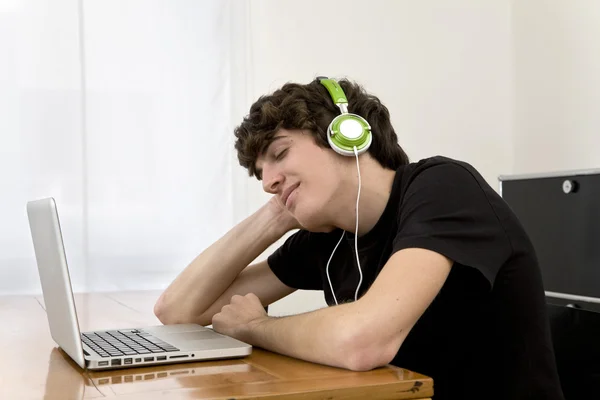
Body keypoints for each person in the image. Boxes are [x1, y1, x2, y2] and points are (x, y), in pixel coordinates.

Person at [154, 77, 565, 399]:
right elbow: (178, 310)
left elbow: (362, 342)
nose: (268, 181)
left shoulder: (443, 187)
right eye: (260, 173)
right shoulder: (330, 234)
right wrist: (275, 215)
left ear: (346, 134)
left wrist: (255, 328)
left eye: (279, 155)